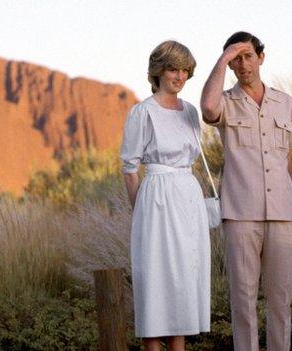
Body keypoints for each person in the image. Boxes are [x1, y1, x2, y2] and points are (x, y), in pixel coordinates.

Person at [200, 31, 292, 351]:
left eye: (248, 56)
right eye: (236, 59)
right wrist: (222, 59)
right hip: (240, 213)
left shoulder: (284, 102)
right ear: (231, 65)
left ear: (261, 58)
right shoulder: (226, 102)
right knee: (243, 301)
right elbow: (207, 109)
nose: (243, 64)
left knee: (280, 300)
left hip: (282, 212)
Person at [120, 40, 210, 351]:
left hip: (188, 195)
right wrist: (140, 213)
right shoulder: (142, 112)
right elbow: (129, 168)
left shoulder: (191, 111)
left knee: (184, 280)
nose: (180, 76)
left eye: (186, 70)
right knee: (157, 281)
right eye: (174, 68)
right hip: (156, 199)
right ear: (158, 70)